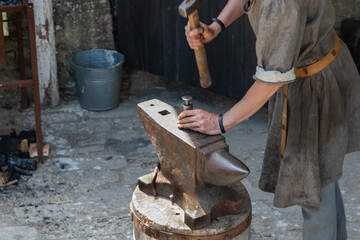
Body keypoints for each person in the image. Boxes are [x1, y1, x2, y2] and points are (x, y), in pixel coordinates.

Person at [177, 0, 360, 239]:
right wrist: (217, 25)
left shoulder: (280, 4)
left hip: (316, 88)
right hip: (320, 67)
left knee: (314, 191)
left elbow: (271, 80)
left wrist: (220, 122)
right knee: (323, 179)